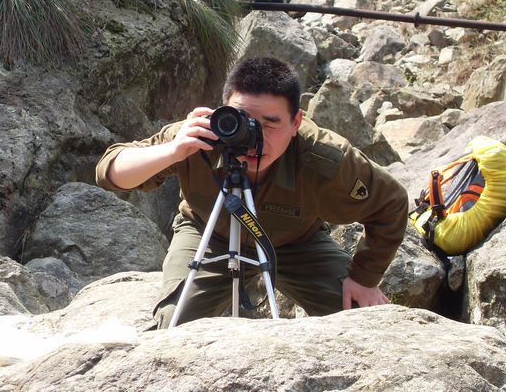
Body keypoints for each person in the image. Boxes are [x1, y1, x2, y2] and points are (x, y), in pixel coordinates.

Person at [96, 56, 408, 328]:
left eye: (269, 124)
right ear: (225, 110)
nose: (253, 137)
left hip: (295, 244)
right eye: (243, 120)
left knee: (359, 319)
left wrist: (364, 277)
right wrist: (174, 150)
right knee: (174, 326)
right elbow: (109, 172)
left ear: (296, 122)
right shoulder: (203, 135)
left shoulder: (322, 157)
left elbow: (391, 202)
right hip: (209, 235)